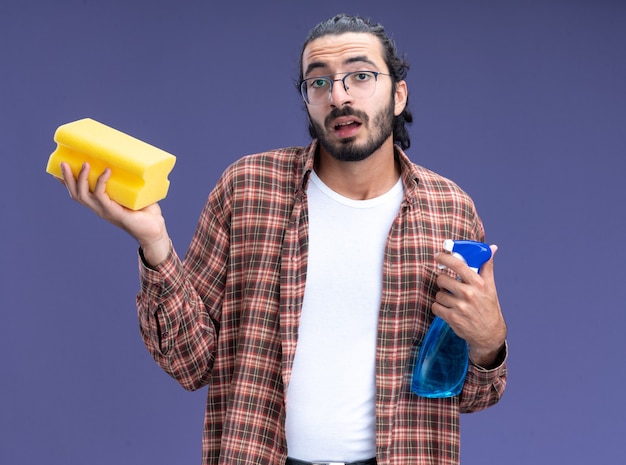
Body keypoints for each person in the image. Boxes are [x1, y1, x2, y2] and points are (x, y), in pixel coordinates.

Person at [59, 13, 507, 465]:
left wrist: (489, 341)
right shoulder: (248, 189)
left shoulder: (450, 210)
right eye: (318, 82)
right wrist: (154, 242)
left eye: (361, 75)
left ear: (398, 95)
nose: (338, 95)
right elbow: (191, 363)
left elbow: (470, 394)